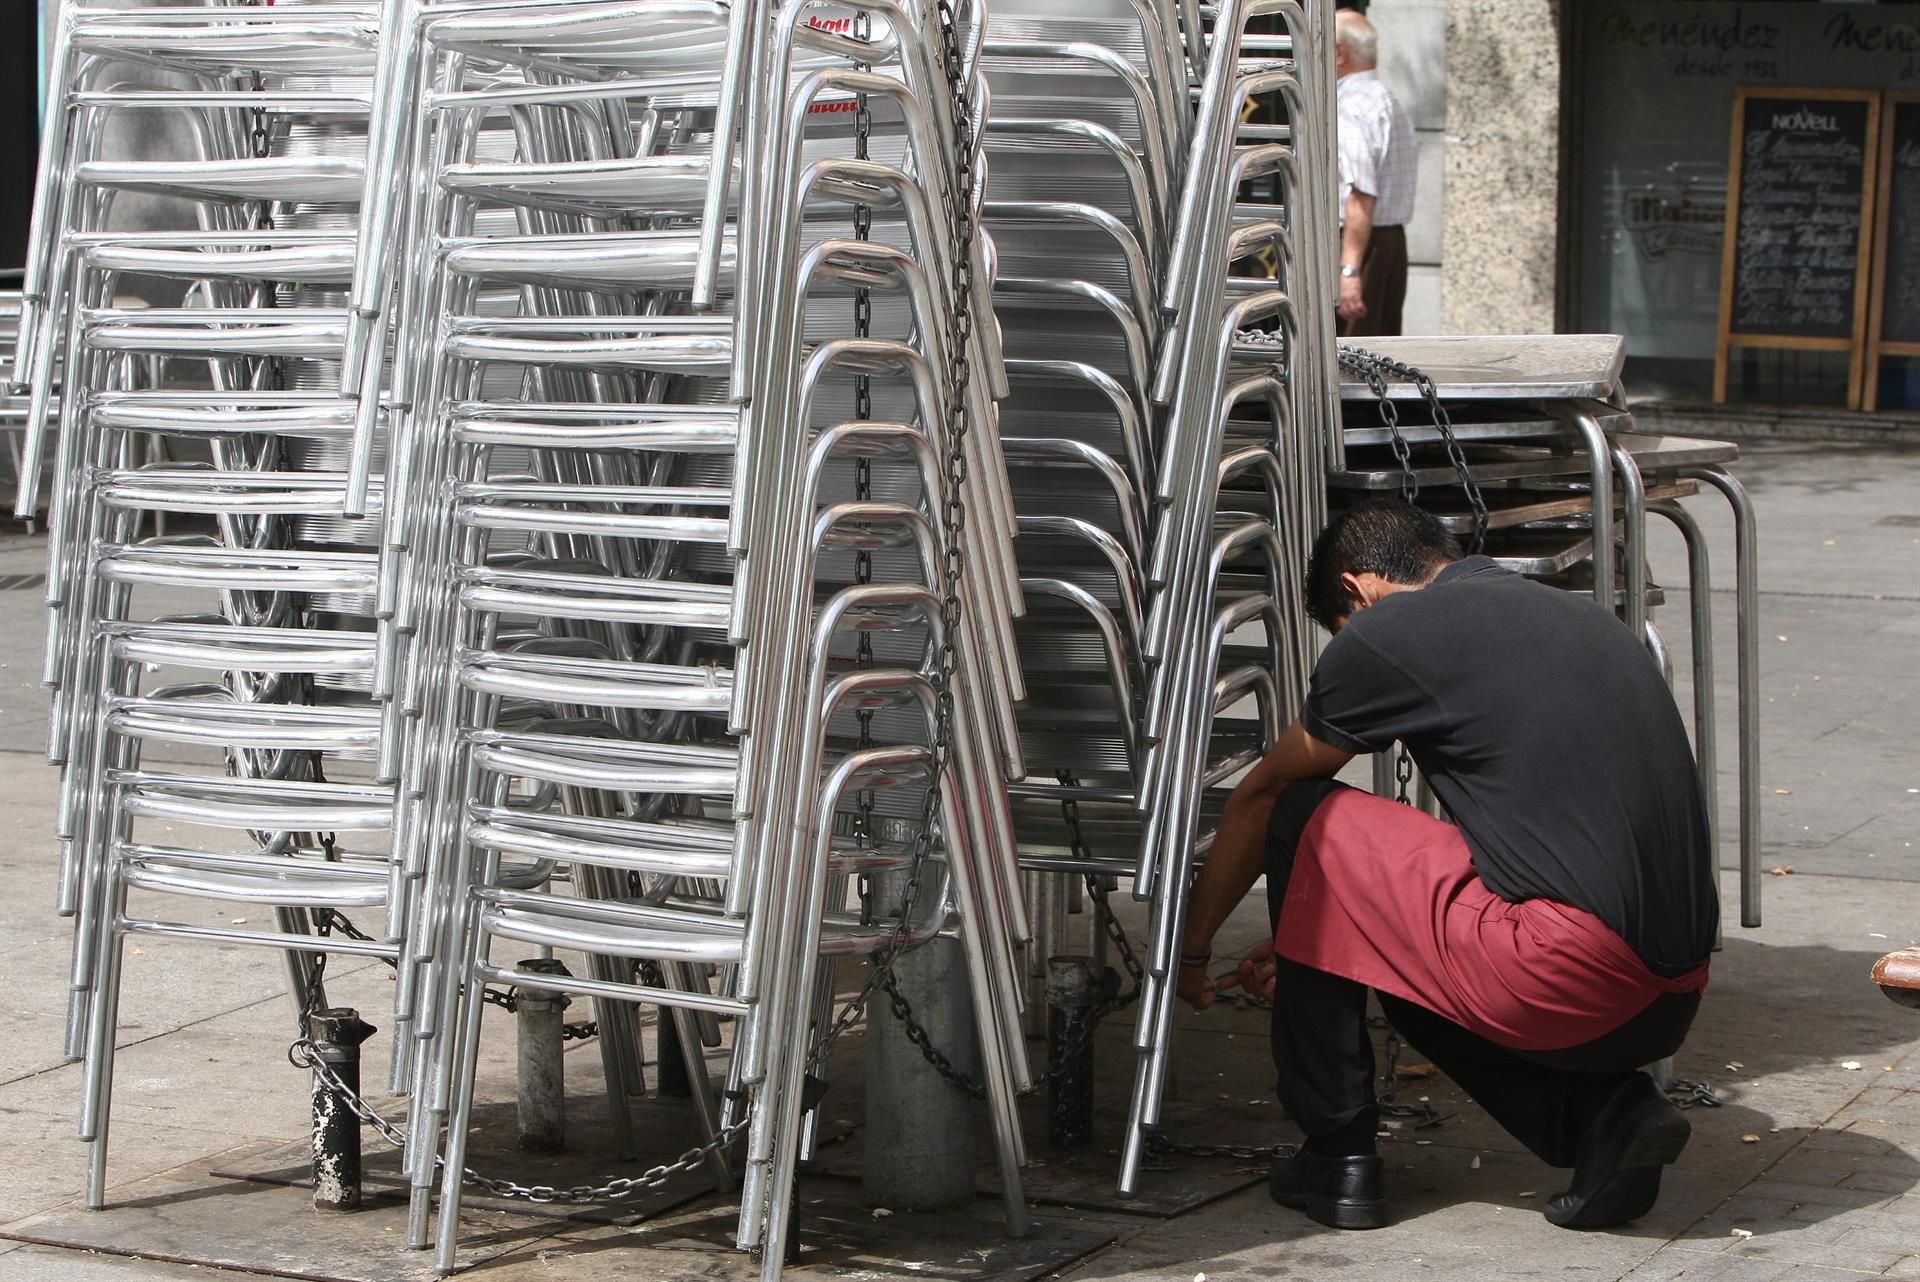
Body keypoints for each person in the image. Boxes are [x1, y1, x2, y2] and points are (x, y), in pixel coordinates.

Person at [1176, 500, 1717, 1232]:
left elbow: (1262, 796)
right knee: (1394, 967)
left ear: (1360, 590)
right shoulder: (1583, 618)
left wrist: (1195, 949)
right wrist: (1326, 929)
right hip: (1673, 991)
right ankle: (1610, 1117)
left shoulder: (1390, 631)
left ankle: (1337, 1154)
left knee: (1301, 812)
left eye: (1343, 627)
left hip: (1568, 976)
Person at [1334, 11, 1417, 336]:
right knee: (1378, 355)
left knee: (1349, 363)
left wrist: (1349, 270)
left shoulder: (1351, 108)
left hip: (1359, 246)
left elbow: (1361, 195)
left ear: (1340, 53)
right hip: (1388, 244)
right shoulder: (1387, 100)